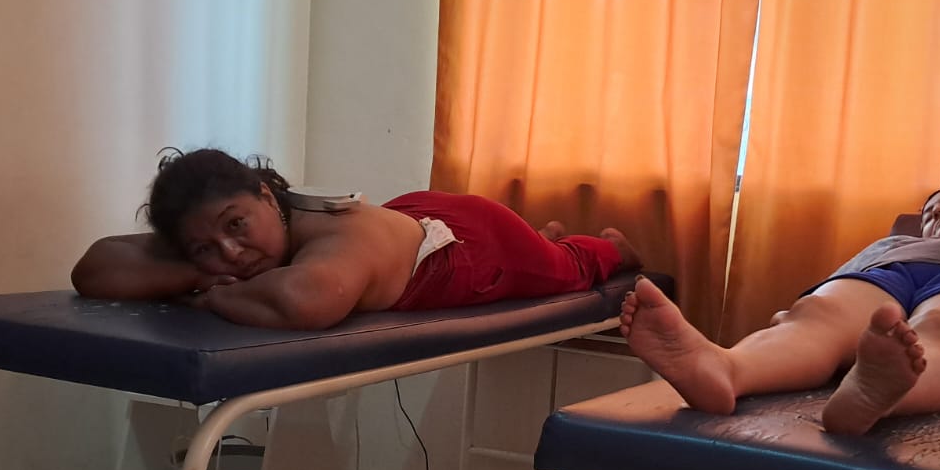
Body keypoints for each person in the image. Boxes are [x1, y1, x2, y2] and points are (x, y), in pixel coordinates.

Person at [620, 186, 940, 436]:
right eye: (929, 209)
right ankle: (725, 368)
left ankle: (884, 391)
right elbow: (829, 305)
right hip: (891, 274)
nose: (936, 210)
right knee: (815, 317)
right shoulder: (892, 244)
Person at [71, 148, 641, 330]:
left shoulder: (333, 245)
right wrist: (199, 269)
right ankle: (542, 237)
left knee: (566, 267)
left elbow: (306, 299)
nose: (231, 252)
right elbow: (95, 268)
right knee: (541, 250)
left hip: (475, 250)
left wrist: (210, 294)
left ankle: (611, 245)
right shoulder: (237, 245)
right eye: (204, 245)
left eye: (235, 225)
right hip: (408, 217)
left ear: (267, 197)